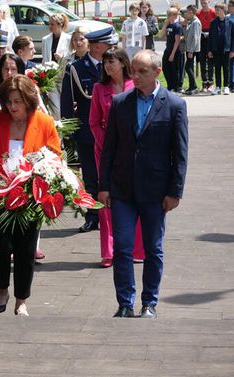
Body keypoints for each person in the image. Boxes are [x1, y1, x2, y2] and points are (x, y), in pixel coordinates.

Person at [99, 50, 188, 319]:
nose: (134, 77)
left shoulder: (174, 105)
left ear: (157, 72)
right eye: (133, 71)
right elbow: (109, 148)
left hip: (155, 191)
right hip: (123, 188)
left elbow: (180, 152)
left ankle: (149, 301)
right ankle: (125, 302)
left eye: (142, 72)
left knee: (153, 249)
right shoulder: (120, 102)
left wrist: (175, 192)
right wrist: (104, 186)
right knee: (123, 248)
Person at [0, 74, 62, 317]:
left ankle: (21, 298)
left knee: (25, 249)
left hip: (30, 198)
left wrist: (38, 181)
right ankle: (2, 289)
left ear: (29, 101)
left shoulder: (44, 122)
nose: (12, 107)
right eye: (9, 101)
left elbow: (55, 157)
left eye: (18, 102)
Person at [89, 46, 144, 268]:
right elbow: (93, 122)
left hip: (133, 151)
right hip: (105, 152)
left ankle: (138, 249)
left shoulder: (136, 86)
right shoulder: (99, 88)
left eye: (111, 61)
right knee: (106, 199)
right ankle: (109, 251)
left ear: (123, 63)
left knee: (137, 195)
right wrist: (107, 143)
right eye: (105, 62)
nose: (107, 66)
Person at [60, 27, 118, 233]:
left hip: (116, 133)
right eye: (108, 45)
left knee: (115, 175)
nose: (112, 48)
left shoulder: (116, 65)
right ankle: (93, 216)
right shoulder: (76, 68)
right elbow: (67, 102)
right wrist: (68, 133)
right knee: (91, 177)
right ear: (97, 47)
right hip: (88, 133)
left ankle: (115, 215)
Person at [208, 3, 233, 95]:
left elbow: (233, 37)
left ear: (223, 10)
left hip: (226, 49)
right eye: (216, 10)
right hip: (216, 49)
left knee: (226, 68)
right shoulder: (213, 22)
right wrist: (210, 50)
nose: (216, 12)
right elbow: (210, 37)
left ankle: (226, 86)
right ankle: (218, 87)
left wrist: (232, 50)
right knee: (217, 68)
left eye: (218, 10)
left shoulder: (230, 22)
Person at [159, 8, 182, 91]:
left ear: (175, 16)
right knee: (165, 68)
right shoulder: (168, 25)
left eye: (170, 15)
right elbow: (161, 36)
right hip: (168, 49)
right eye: (167, 14)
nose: (168, 16)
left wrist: (172, 54)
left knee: (174, 70)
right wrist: (165, 25)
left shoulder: (177, 26)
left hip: (174, 51)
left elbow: (177, 41)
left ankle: (175, 87)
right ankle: (170, 85)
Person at [197, 0, 216, 92]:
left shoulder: (213, 12)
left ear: (209, 2)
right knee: (202, 61)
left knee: (210, 61)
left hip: (210, 37)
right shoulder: (198, 12)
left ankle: (211, 83)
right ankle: (204, 83)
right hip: (201, 37)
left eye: (205, 2)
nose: (203, 4)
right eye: (202, 3)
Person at [183, 5, 202, 95]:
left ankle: (194, 86)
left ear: (191, 12)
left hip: (192, 49)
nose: (185, 14)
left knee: (188, 67)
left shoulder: (196, 22)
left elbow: (196, 38)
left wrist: (191, 50)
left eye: (186, 12)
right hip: (189, 48)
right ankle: (191, 86)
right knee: (189, 67)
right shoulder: (191, 21)